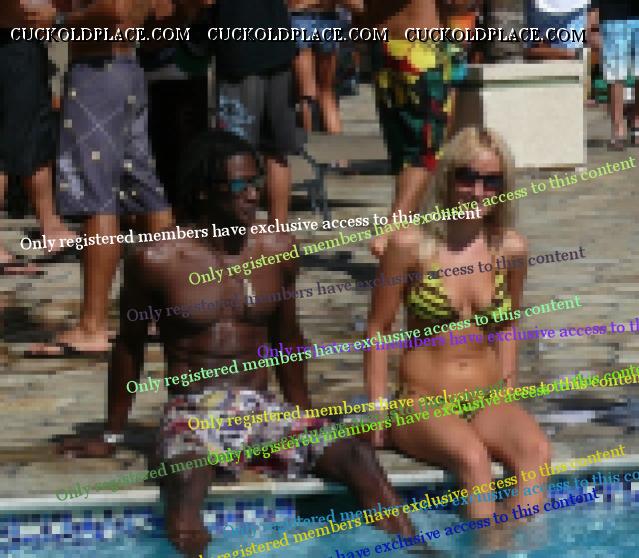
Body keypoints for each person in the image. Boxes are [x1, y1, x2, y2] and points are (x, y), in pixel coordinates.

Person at [59, 129, 413, 557]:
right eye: (241, 184)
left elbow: (287, 339)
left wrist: (302, 413)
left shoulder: (277, 249)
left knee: (359, 458)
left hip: (260, 408)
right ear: (204, 191)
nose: (253, 194)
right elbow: (129, 348)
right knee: (187, 486)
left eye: (256, 182)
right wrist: (113, 434)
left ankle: (417, 551)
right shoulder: (157, 259)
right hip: (193, 412)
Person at [364, 127, 550, 520]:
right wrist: (378, 410)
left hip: (487, 399)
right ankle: (488, 544)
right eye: (468, 177)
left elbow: (507, 326)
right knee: (473, 460)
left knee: (535, 452)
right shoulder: (409, 247)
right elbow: (378, 330)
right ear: (447, 177)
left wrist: (508, 390)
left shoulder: (510, 249)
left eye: (491, 181)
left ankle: (521, 545)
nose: (478, 191)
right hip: (422, 402)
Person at [24, 0, 174, 356]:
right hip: (128, 69)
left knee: (96, 196)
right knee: (145, 191)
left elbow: (116, 10)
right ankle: (164, 312)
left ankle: (92, 326)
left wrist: (61, 20)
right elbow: (164, 10)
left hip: (97, 73)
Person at [356, 1, 468, 255]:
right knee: (414, 152)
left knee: (414, 151)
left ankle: (400, 233)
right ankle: (400, 237)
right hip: (404, 49)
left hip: (402, 48)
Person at [0, 2, 77, 275]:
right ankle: (51, 228)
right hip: (11, 41)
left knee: (34, 133)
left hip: (20, 42)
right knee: (10, 142)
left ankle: (51, 226)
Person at [213, 0, 304, 222]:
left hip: (240, 52)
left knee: (236, 153)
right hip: (279, 49)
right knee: (277, 153)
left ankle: (240, 231)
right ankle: (279, 230)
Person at [288, 0, 363, 134]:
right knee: (327, 92)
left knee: (307, 94)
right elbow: (356, 5)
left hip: (300, 15)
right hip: (328, 17)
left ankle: (309, 142)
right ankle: (337, 141)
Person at [592, 0, 639, 149]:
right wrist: (593, 23)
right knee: (615, 76)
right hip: (612, 16)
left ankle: (636, 123)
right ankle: (618, 129)